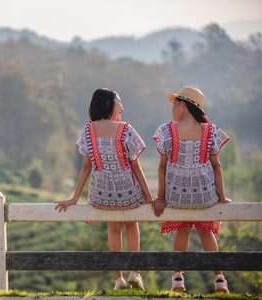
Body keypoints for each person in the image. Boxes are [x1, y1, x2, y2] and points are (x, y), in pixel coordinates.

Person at [54, 88, 153, 291]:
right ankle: (135, 272)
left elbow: (86, 168)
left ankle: (118, 279)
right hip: (127, 190)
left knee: (113, 229)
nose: (122, 107)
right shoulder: (126, 129)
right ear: (109, 104)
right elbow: (136, 166)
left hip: (101, 193)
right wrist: (150, 198)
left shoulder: (87, 131)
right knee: (131, 225)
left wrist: (74, 198)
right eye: (119, 102)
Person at [152, 86, 232, 294]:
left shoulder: (167, 130)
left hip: (176, 195)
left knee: (183, 228)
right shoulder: (210, 130)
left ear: (183, 104)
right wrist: (222, 197)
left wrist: (160, 197)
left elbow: (162, 166)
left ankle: (177, 276)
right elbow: (217, 166)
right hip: (205, 196)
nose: (172, 108)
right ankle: (219, 278)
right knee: (206, 230)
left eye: (174, 103)